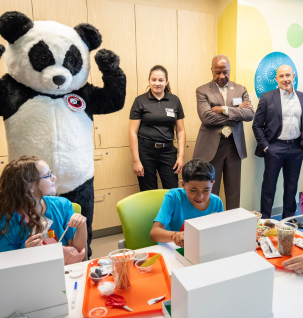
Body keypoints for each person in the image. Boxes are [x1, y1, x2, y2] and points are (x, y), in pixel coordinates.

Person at [0, 156, 87, 264]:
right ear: (29, 186)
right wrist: (25, 253)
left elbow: (77, 248)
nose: (54, 177)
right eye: (47, 175)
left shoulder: (62, 205)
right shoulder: (4, 223)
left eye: (51, 173)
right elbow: (3, 264)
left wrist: (82, 225)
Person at [193, 55, 254, 210]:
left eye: (225, 72)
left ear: (230, 70)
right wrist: (236, 113)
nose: (221, 76)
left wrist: (224, 109)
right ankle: (209, 224)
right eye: (217, 72)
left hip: (234, 146)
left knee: (234, 191)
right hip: (212, 147)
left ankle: (232, 226)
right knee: (210, 190)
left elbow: (249, 114)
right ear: (212, 70)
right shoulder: (203, 90)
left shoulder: (241, 89)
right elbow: (206, 118)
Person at [253, 65, 303, 226]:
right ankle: (265, 220)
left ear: (294, 76)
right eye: (281, 76)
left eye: (288, 75)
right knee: (269, 186)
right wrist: (266, 147)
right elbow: (257, 125)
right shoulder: (267, 97)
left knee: (291, 187)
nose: (285, 79)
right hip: (274, 148)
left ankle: (288, 220)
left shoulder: (301, 97)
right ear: (276, 79)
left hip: (296, 148)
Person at [129, 65, 186, 191]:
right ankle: (152, 212)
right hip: (146, 152)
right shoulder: (140, 101)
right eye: (154, 80)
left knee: (172, 191)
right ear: (149, 80)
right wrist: (136, 161)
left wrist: (181, 156)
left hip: (168, 152)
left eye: (161, 80)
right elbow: (133, 132)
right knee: (148, 192)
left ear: (166, 82)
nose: (157, 83)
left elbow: (181, 131)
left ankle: (170, 212)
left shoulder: (174, 100)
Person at [150, 159, 223, 247]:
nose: (200, 196)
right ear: (183, 185)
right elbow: (154, 233)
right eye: (193, 190)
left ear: (212, 185)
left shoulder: (217, 202)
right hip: (173, 248)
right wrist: (175, 236)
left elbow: (218, 232)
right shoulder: (173, 197)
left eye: (206, 190)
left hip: (201, 247)